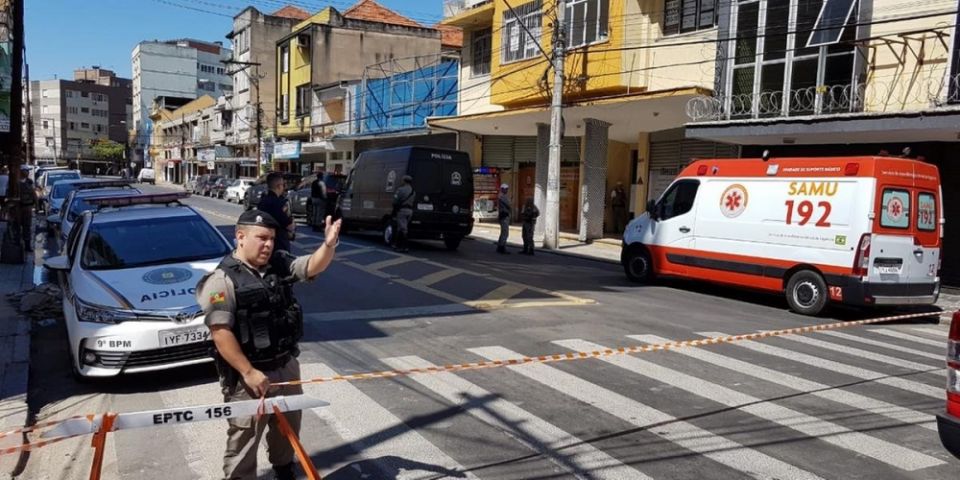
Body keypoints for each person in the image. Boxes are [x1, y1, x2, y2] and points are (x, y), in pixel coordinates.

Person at [196, 209, 341, 480]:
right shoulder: (221, 279)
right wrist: (249, 373)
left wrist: (329, 244)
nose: (269, 244)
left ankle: (284, 470)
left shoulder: (278, 264)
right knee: (244, 438)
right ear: (240, 237)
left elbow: (312, 266)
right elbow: (220, 332)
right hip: (248, 378)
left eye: (272, 239)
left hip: (285, 366)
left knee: (287, 429)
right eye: (262, 238)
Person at [257, 173, 295, 253]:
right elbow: (289, 225)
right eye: (283, 184)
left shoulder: (262, 201)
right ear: (279, 186)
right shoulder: (279, 203)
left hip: (263, 243)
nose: (284, 187)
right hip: (279, 244)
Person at [391, 175, 415, 252]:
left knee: (403, 229)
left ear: (404, 181)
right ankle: (396, 244)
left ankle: (405, 246)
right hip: (410, 211)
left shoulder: (400, 189)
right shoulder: (413, 191)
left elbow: (395, 201)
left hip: (402, 211)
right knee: (401, 227)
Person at [17, 178, 36, 252]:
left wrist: (36, 205)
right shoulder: (16, 184)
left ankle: (26, 245)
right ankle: (21, 245)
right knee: (19, 227)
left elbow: (34, 195)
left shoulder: (29, 183)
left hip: (27, 207)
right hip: (19, 208)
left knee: (27, 227)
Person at [497, 183, 511, 254]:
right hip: (504, 216)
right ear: (503, 189)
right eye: (506, 189)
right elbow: (509, 204)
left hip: (502, 215)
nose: (507, 190)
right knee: (505, 232)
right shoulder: (503, 196)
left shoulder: (501, 196)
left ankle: (500, 245)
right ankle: (502, 247)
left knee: (503, 232)